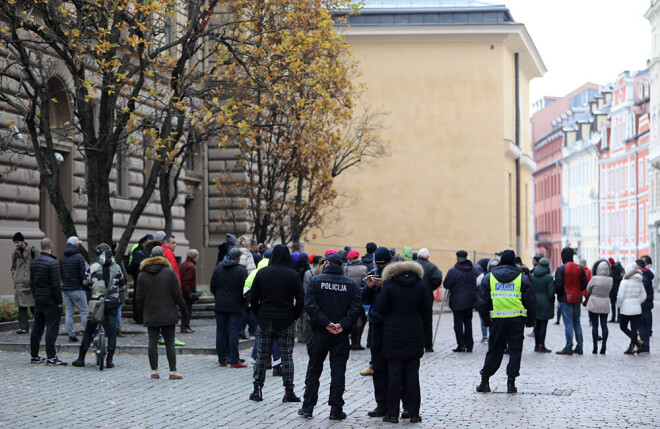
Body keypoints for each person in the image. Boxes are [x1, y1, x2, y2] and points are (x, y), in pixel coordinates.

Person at [298, 253, 362, 420]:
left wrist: (326, 323)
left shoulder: (315, 281)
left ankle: (308, 407)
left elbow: (310, 306)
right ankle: (336, 409)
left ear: (326, 263)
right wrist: (342, 324)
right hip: (340, 335)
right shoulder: (351, 284)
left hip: (320, 333)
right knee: (338, 372)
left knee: (314, 370)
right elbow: (355, 309)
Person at [249, 244, 304, 403]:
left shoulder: (262, 273)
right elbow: (300, 300)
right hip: (286, 319)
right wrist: (294, 316)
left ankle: (257, 390)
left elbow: (253, 298)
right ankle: (289, 391)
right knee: (287, 356)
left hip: (265, 319)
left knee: (261, 355)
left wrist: (259, 315)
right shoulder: (292, 275)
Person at [476, 249, 536, 394]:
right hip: (517, 320)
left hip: (497, 320)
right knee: (515, 351)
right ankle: (511, 383)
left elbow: (482, 301)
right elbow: (531, 301)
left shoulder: (489, 277)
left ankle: (485, 381)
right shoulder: (522, 277)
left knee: (495, 349)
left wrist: (485, 319)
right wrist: (530, 320)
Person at [378, 260, 430, 423]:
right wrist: (427, 339)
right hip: (414, 332)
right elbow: (426, 311)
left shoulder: (389, 284)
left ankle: (392, 414)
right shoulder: (420, 284)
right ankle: (413, 413)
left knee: (394, 374)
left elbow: (381, 308)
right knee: (412, 374)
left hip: (393, 332)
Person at [71, 244, 127, 368]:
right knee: (111, 331)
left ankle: (81, 359)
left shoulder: (92, 267)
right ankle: (110, 360)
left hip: (96, 303)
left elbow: (85, 284)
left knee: (89, 331)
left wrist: (93, 288)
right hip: (112, 303)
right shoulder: (117, 267)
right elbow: (123, 285)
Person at [136, 246, 187, 379]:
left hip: (150, 312)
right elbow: (177, 294)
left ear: (151, 256)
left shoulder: (142, 273)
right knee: (169, 342)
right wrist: (183, 308)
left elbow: (139, 297)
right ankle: (173, 372)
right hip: (168, 312)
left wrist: (141, 313)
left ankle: (154, 371)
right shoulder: (170, 272)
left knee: (152, 341)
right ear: (163, 256)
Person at [361, 247, 393, 417]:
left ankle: (396, 404)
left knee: (395, 367)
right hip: (377, 325)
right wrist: (369, 287)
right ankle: (381, 403)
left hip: (393, 326)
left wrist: (385, 284)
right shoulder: (372, 273)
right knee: (378, 366)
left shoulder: (396, 275)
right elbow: (364, 298)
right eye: (378, 264)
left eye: (384, 264)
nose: (380, 267)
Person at [29, 238, 67, 365]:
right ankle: (51, 357)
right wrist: (59, 301)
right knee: (51, 328)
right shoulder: (53, 263)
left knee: (37, 327)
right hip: (50, 299)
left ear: (41, 247)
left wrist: (36, 295)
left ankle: (34, 356)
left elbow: (31, 282)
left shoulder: (34, 262)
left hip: (39, 297)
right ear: (51, 246)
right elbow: (56, 285)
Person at [211, 247, 248, 368]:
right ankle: (234, 360)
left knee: (220, 332)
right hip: (235, 306)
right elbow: (245, 288)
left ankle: (222, 359)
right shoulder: (241, 270)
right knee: (234, 332)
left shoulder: (218, 267)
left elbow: (213, 287)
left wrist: (219, 297)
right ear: (238, 258)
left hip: (220, 305)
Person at [442, 250, 478, 353]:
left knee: (458, 324)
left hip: (457, 301)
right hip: (470, 300)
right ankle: (469, 345)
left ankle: (461, 345)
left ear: (457, 257)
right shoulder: (472, 270)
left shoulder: (453, 270)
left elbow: (446, 285)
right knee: (468, 323)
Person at [554, 247, 588, 355]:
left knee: (568, 324)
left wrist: (559, 294)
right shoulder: (579, 268)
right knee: (577, 323)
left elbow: (558, 286)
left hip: (565, 298)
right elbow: (584, 284)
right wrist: (578, 291)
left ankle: (568, 347)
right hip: (577, 298)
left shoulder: (561, 269)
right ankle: (580, 346)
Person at [59, 236, 88, 342]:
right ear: (76, 245)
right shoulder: (79, 257)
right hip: (77, 288)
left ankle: (71, 335)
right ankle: (88, 334)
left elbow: (61, 274)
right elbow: (82, 274)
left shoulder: (62, 258)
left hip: (66, 288)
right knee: (84, 311)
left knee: (68, 312)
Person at [415, 248, 443, 352]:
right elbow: (438, 278)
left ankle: (415, 343)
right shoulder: (432, 267)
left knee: (413, 320)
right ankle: (427, 345)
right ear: (427, 257)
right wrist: (431, 287)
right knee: (427, 321)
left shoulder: (412, 265)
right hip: (426, 297)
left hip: (412, 297)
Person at [617, 263, 647, 354]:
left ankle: (633, 346)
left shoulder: (624, 282)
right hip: (636, 309)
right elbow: (644, 296)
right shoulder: (639, 282)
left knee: (623, 326)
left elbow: (620, 296)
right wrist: (637, 302)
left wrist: (619, 305)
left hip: (625, 309)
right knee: (634, 328)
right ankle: (636, 343)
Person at [11, 232, 37, 334]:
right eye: (15, 242)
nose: (16, 244)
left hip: (30, 283)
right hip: (19, 283)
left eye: (17, 242)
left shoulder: (33, 250)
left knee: (33, 306)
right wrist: (15, 276)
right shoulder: (15, 253)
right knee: (21, 306)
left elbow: (38, 264)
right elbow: (13, 267)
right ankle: (23, 327)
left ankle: (39, 326)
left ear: (22, 241)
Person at [585, 259, 612, 354]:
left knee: (595, 326)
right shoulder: (610, 280)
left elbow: (588, 290)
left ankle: (595, 347)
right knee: (604, 325)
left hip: (594, 303)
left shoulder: (594, 279)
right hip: (605, 302)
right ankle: (604, 345)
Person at [344, 250, 368, 350]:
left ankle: (352, 342)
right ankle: (357, 342)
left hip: (349, 297)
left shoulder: (346, 268)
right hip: (361, 296)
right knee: (360, 319)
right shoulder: (364, 268)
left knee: (352, 318)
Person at [127, 234, 153, 324]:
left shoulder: (143, 250)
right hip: (139, 276)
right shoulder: (139, 250)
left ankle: (140, 317)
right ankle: (139, 317)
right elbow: (135, 263)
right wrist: (132, 273)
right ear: (144, 243)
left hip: (140, 275)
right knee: (139, 297)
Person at [529, 257, 554, 353]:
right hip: (545, 303)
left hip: (534, 301)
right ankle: (541, 345)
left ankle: (536, 345)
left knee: (536, 324)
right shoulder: (549, 277)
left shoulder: (532, 276)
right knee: (543, 324)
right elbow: (551, 293)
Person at [294, 252, 314, 344]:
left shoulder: (294, 268)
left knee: (299, 317)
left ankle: (299, 335)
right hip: (304, 294)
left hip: (296, 294)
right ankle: (305, 336)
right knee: (306, 317)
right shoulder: (308, 270)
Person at [179, 249, 199, 333]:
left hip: (185, 291)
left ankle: (186, 326)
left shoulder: (184, 264)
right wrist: (188, 293)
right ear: (194, 256)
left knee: (186, 309)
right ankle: (184, 326)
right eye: (197, 256)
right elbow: (186, 281)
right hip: (187, 291)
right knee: (188, 309)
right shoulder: (191, 266)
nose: (198, 258)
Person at [636, 259, 653, 353]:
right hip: (647, 303)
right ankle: (646, 346)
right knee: (645, 326)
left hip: (643, 304)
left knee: (641, 326)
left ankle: (644, 346)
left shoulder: (643, 278)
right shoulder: (646, 275)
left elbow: (640, 290)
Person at [641, 255, 654, 339]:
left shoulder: (648, 272)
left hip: (647, 295)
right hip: (648, 295)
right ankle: (648, 330)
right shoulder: (648, 272)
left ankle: (648, 330)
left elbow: (645, 285)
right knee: (648, 314)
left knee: (647, 314)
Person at [609, 258, 623, 323]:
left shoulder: (620, 268)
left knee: (618, 304)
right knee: (612, 304)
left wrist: (613, 277)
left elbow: (622, 277)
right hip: (611, 289)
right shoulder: (610, 268)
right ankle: (613, 317)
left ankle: (619, 318)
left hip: (618, 289)